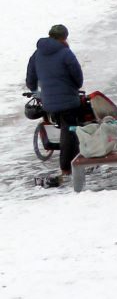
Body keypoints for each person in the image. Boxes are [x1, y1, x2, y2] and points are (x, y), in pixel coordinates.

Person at [25, 24, 85, 184]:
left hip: (48, 102)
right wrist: (75, 86)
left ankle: (71, 158)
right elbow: (78, 77)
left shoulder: (37, 53)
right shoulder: (66, 53)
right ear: (64, 37)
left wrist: (35, 90)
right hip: (68, 101)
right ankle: (66, 166)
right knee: (69, 130)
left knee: (63, 126)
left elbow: (30, 78)